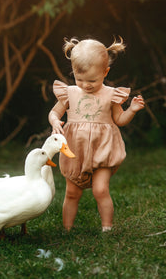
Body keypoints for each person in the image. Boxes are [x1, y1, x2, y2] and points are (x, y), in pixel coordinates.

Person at [48, 36, 145, 232]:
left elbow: (119, 120)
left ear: (105, 72)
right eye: (79, 79)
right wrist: (54, 121)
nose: (86, 85)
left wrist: (132, 110)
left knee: (101, 190)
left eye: (92, 80)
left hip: (103, 150)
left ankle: (107, 229)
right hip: (75, 150)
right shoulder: (70, 92)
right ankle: (67, 229)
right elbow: (54, 112)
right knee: (72, 193)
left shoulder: (111, 94)